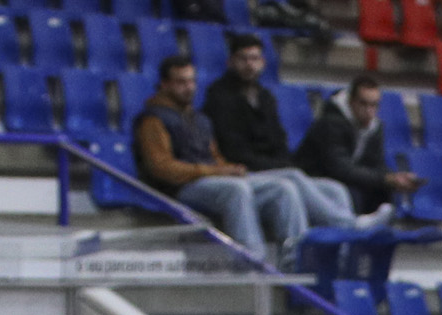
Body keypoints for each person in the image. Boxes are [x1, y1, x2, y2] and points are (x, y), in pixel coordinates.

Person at [135, 55, 306, 266]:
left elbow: (214, 158)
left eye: (191, 81)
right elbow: (162, 168)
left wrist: (228, 168)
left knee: (283, 187)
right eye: (181, 82)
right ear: (164, 84)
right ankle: (252, 261)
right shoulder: (153, 119)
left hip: (212, 181)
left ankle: (297, 259)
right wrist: (213, 172)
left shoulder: (199, 119)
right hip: (179, 189)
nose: (189, 87)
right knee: (236, 190)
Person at [204, 35, 372, 232]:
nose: (249, 65)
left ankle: (341, 249)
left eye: (254, 58)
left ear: (263, 62)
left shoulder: (266, 97)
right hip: (243, 171)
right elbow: (233, 150)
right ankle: (351, 225)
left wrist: (281, 164)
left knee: (335, 190)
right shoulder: (219, 96)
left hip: (274, 170)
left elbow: (279, 140)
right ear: (231, 61)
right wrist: (280, 166)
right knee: (292, 176)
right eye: (243, 59)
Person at [296, 75, 414, 217]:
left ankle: (377, 233)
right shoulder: (330, 123)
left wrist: (394, 178)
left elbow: (376, 164)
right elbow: (340, 169)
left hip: (344, 181)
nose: (369, 111)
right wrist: (385, 179)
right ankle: (352, 232)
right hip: (315, 181)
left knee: (382, 191)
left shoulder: (375, 127)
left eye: (374, 105)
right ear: (351, 102)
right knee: (353, 192)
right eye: (363, 104)